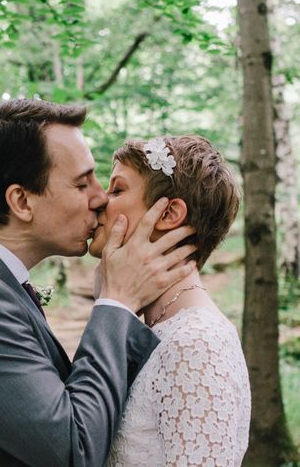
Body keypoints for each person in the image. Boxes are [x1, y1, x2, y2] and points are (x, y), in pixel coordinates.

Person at [0, 99, 197, 467]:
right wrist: (117, 302)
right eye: (82, 183)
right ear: (21, 201)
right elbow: (73, 450)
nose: (99, 198)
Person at [87, 135, 251, 466]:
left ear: (169, 213)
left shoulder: (197, 344)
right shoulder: (155, 327)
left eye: (117, 190)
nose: (99, 201)